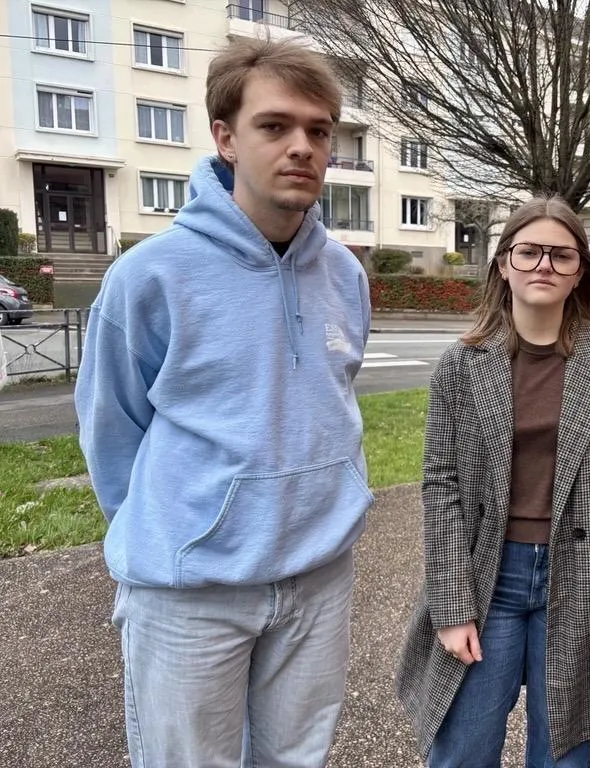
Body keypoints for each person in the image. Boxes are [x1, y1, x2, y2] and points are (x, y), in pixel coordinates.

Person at [74, 38, 372, 767]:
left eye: (319, 130)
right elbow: (112, 429)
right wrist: (181, 530)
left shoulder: (344, 274)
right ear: (226, 138)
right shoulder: (150, 277)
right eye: (275, 126)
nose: (302, 146)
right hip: (190, 590)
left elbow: (331, 399)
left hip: (317, 576)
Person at [395, 196, 590, 767]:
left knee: (562, 751)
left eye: (561, 255)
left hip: (580, 575)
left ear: (580, 271)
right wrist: (451, 604)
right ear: (503, 264)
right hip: (488, 576)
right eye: (529, 251)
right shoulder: (462, 365)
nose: (544, 265)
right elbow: (441, 485)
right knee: (463, 749)